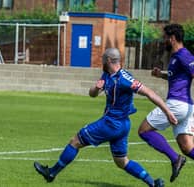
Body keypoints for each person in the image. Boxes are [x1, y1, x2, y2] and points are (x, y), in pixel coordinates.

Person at [34, 48, 178, 187]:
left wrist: (168, 112)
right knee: (121, 161)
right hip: (122, 125)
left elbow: (149, 93)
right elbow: (92, 94)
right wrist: (96, 88)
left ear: (108, 60)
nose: (101, 62)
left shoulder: (124, 79)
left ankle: (51, 173)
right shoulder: (107, 75)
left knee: (75, 141)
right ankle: (153, 183)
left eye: (103, 59)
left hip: (111, 123)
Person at [138, 23, 194, 183]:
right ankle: (178, 157)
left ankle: (175, 159)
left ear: (172, 38)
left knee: (144, 130)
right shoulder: (176, 57)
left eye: (165, 38)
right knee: (187, 147)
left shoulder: (184, 55)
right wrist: (161, 74)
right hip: (186, 107)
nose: (164, 41)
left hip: (177, 104)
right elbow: (178, 77)